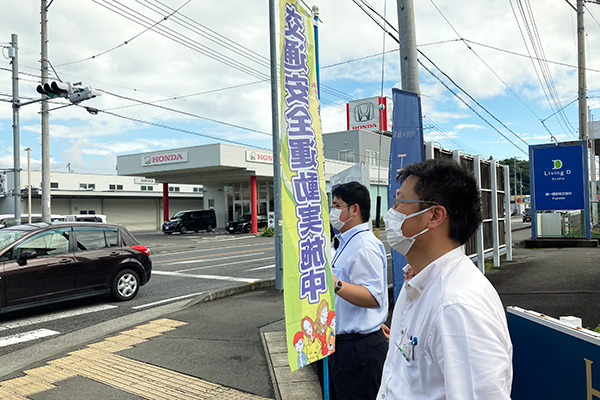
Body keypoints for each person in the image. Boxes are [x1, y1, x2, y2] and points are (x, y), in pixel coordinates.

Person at [377, 158, 513, 400]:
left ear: (434, 215)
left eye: (400, 202)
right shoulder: (419, 283)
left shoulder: (457, 307)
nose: (391, 214)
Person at [329, 181, 389, 400]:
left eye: (337, 206)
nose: (332, 211)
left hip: (358, 350)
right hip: (345, 347)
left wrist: (335, 284)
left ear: (354, 209)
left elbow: (374, 296)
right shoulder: (344, 242)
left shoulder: (364, 245)